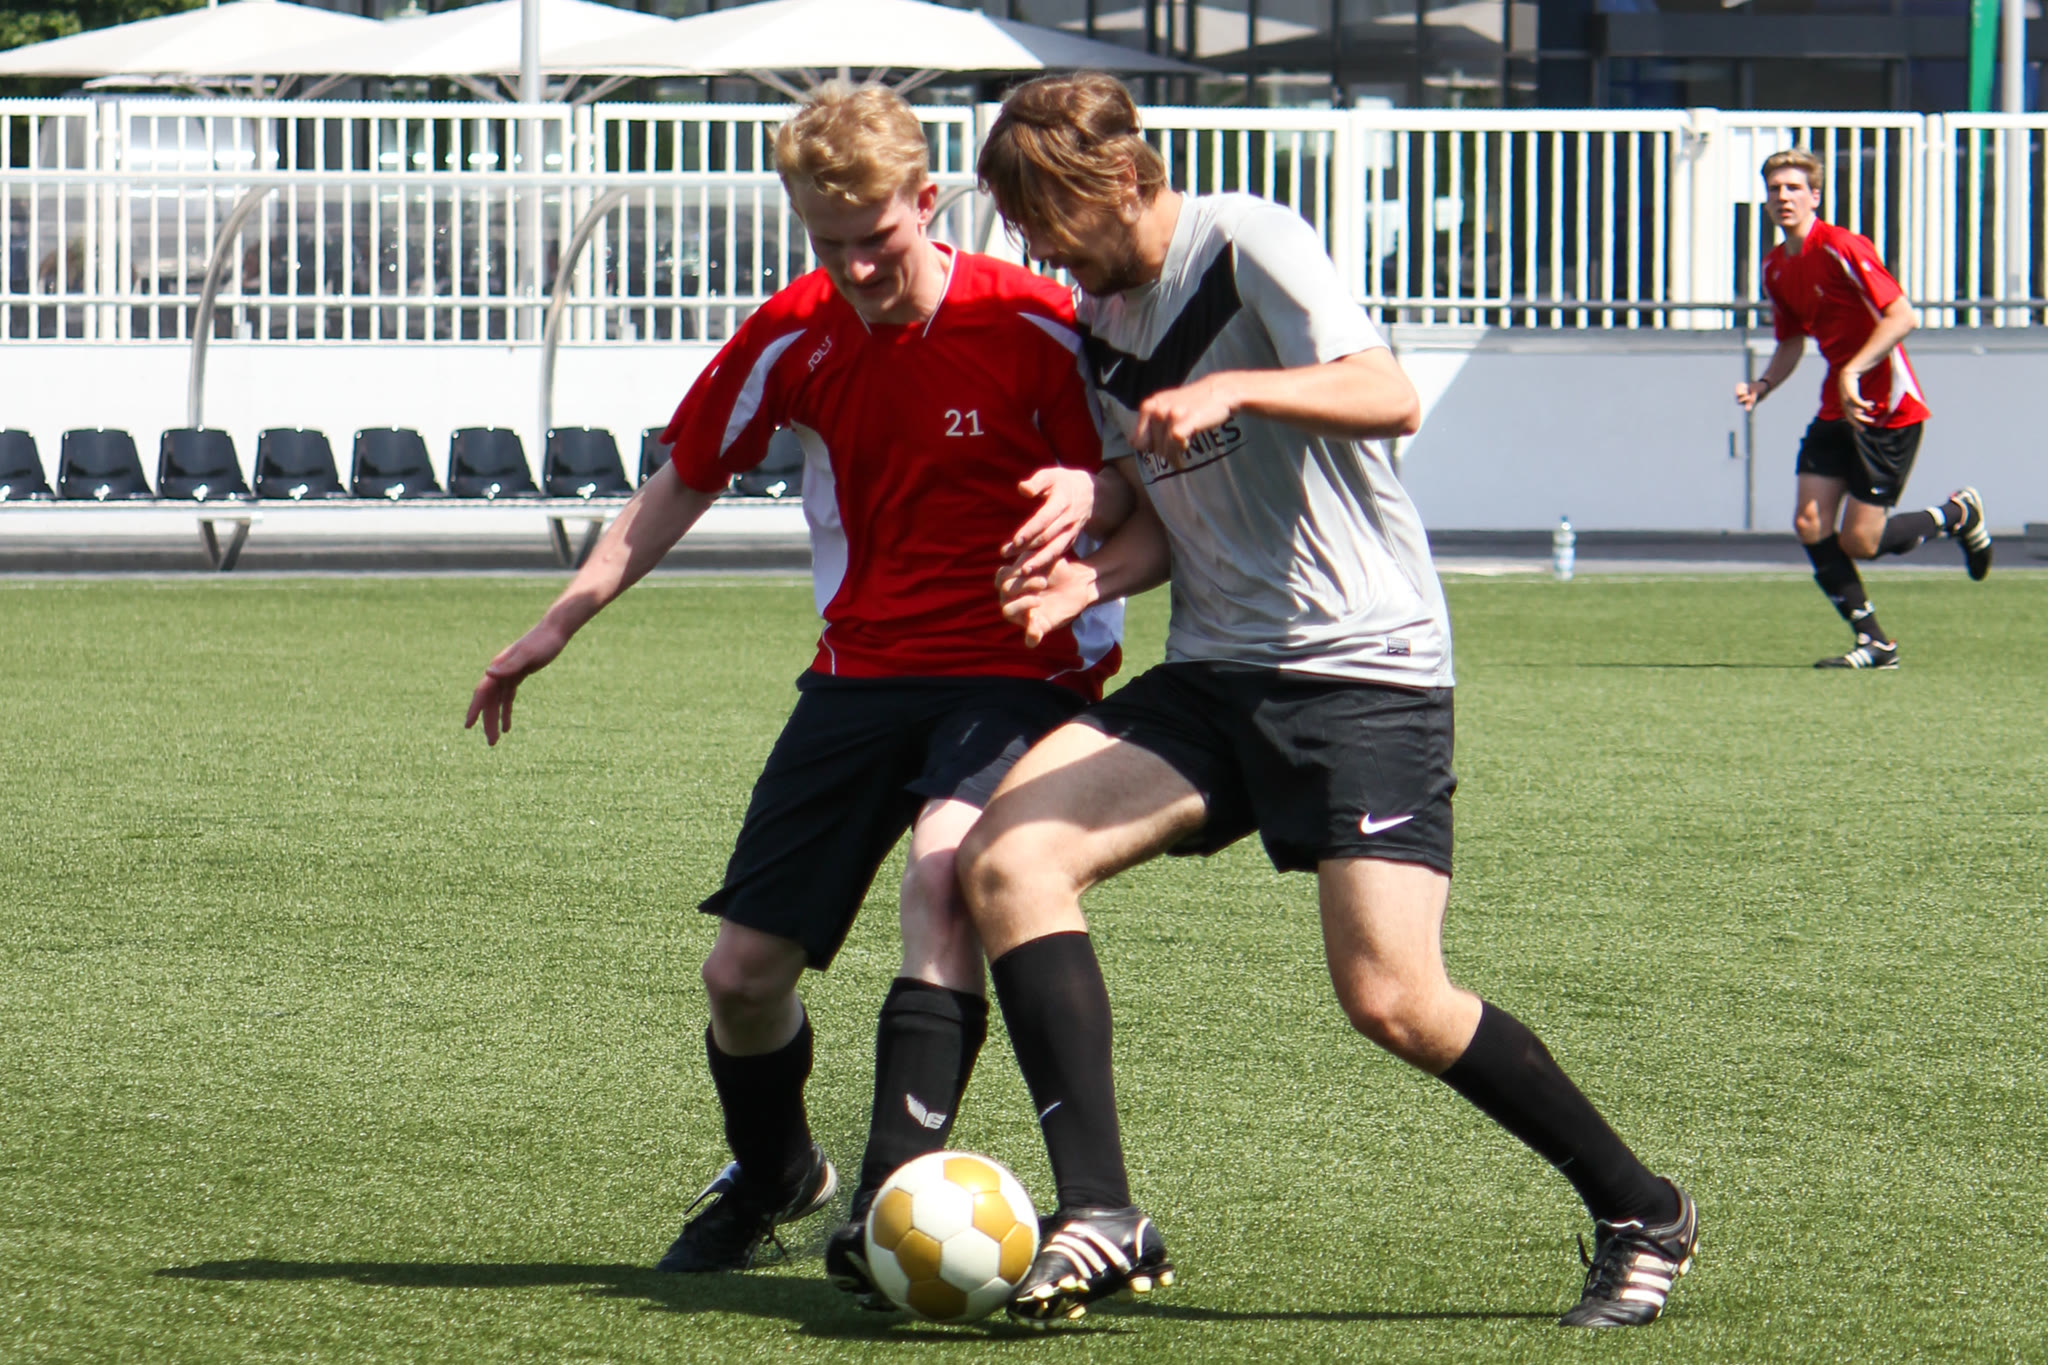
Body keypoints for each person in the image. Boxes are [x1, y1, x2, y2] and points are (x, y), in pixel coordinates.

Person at [956, 72, 1697, 1330]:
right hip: (1215, 670)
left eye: (1049, 217)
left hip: (1363, 667)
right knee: (1004, 861)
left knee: (1392, 1000)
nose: (1036, 247)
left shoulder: (1245, 240)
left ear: (1124, 179)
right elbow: (1170, 519)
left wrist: (1235, 388)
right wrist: (1087, 571)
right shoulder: (1098, 323)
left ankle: (1641, 1208)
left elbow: (1384, 393)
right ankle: (1101, 1211)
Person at [463, 83, 1132, 1298]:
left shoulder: (1033, 323)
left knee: (943, 878)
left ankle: (883, 1211)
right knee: (740, 978)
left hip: (1020, 666)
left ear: (925, 202)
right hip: (858, 672)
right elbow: (685, 475)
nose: (855, 269)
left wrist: (1087, 553)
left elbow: (1130, 480)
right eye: (828, 245)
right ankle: (776, 1174)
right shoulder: (795, 331)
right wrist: (558, 623)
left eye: (874, 239)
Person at [1736, 147, 1992, 670]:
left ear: (1815, 196)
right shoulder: (1775, 266)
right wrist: (1764, 384)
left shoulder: (1841, 246)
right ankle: (1875, 643)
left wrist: (1853, 369)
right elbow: (1791, 341)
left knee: (1860, 541)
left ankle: (1957, 515)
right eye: (1775, 189)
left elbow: (1902, 316)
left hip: (1887, 406)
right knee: (1810, 522)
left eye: (1793, 188)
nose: (1783, 197)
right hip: (1837, 406)